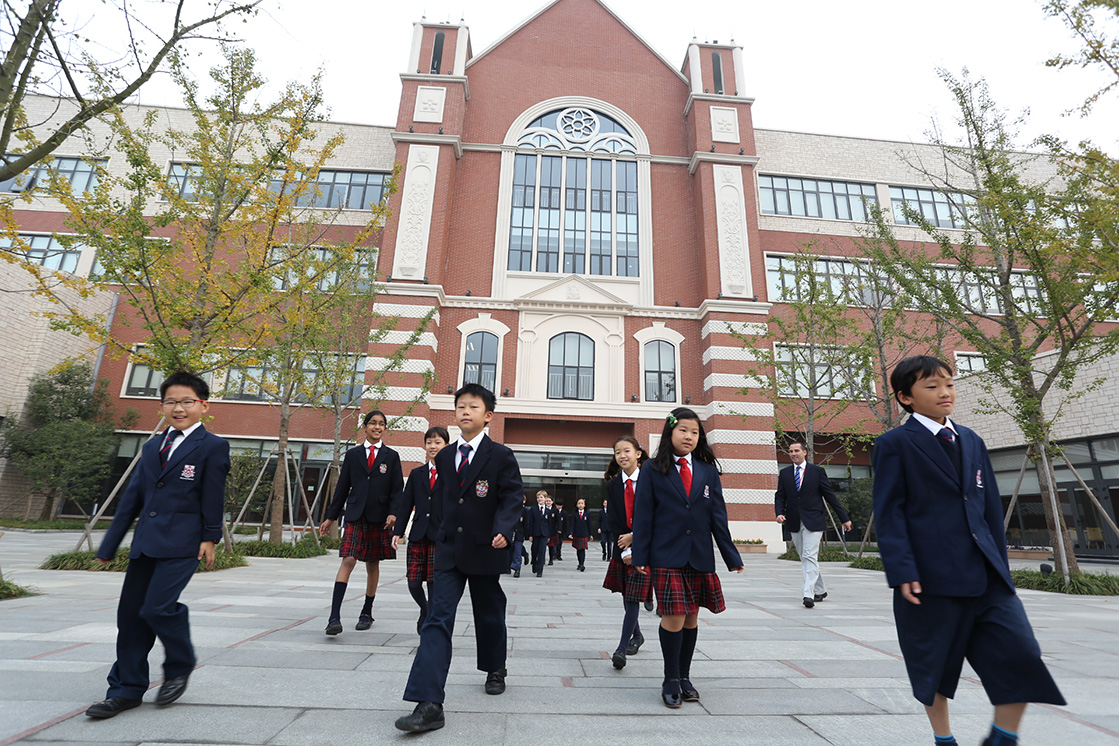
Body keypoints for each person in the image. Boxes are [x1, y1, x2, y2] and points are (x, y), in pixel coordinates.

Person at [873, 356, 1065, 746]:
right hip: (929, 578)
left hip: (986, 575)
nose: (945, 393)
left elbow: (989, 508)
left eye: (949, 384)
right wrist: (901, 569)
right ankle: (944, 739)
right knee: (935, 667)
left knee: (1021, 654)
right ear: (905, 397)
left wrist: (1002, 565)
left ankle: (1002, 736)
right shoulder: (894, 444)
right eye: (932, 386)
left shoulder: (972, 440)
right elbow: (889, 512)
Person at [85, 371, 230, 719]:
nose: (178, 408)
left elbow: (213, 495)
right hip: (146, 545)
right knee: (131, 618)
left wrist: (210, 537)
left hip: (184, 544)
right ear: (162, 406)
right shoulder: (152, 446)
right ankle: (125, 690)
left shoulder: (212, 446)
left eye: (186, 401)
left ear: (203, 405)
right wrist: (108, 545)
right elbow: (132, 497)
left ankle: (180, 664)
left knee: (157, 609)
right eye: (170, 402)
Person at [395, 383, 525, 733]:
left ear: (488, 416)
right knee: (437, 619)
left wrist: (504, 528)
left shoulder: (500, 455)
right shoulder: (446, 455)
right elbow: (441, 503)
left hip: (486, 548)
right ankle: (428, 703)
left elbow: (512, 497)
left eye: (473, 407)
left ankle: (495, 666)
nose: (465, 411)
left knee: (489, 613)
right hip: (449, 550)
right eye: (460, 406)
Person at [632, 407, 743, 708]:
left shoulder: (707, 471)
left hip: (699, 556)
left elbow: (718, 517)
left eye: (695, 432)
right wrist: (640, 554)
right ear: (671, 432)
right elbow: (643, 517)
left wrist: (731, 556)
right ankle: (670, 678)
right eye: (683, 430)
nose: (689, 436)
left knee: (692, 617)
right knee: (675, 615)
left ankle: (684, 676)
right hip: (665, 555)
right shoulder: (653, 470)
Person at [318, 410, 404, 635]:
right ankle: (334, 617)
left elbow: (397, 490)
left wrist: (394, 513)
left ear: (385, 428)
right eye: (373, 423)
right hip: (355, 515)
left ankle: (367, 611)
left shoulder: (391, 456)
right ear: (365, 427)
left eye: (382, 424)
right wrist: (331, 517)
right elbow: (342, 488)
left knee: (372, 564)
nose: (377, 427)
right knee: (348, 559)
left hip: (380, 517)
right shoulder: (353, 455)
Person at [774, 441, 852, 608]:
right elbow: (780, 496)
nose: (793, 453)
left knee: (809, 556)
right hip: (794, 520)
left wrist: (844, 518)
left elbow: (830, 496)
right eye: (790, 451)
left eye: (796, 450)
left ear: (804, 452)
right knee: (806, 557)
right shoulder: (785, 473)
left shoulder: (817, 472)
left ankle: (807, 594)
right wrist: (779, 513)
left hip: (814, 520)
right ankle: (820, 589)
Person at [392, 426, 449, 634]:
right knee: (413, 583)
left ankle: (430, 624)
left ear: (446, 446)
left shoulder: (452, 474)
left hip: (439, 537)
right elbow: (406, 505)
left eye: (438, 442)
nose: (433, 446)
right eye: (429, 442)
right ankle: (425, 611)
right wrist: (398, 532)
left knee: (434, 586)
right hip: (418, 535)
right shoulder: (417, 474)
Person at [601, 435, 651, 669]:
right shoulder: (613, 486)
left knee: (632, 596)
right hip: (622, 546)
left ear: (638, 454)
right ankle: (637, 636)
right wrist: (624, 549)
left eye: (627, 451)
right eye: (618, 452)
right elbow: (614, 521)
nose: (622, 456)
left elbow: (658, 517)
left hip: (649, 545)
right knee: (627, 595)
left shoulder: (652, 480)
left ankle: (621, 648)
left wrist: (636, 538)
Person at [525, 490, 551, 577]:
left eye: (541, 497)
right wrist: (530, 534)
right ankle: (534, 563)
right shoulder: (533, 509)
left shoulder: (548, 511)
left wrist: (549, 535)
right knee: (534, 550)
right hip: (535, 533)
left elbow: (550, 524)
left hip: (544, 534)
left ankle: (540, 570)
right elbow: (530, 522)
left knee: (542, 551)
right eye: (538, 497)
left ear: (545, 498)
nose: (539, 499)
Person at [568, 498, 591, 571]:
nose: (580, 505)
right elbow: (573, 524)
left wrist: (591, 534)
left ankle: (582, 564)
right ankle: (579, 563)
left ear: (584, 505)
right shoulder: (575, 514)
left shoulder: (587, 513)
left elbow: (589, 525)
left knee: (582, 549)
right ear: (576, 505)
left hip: (584, 534)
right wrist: (571, 533)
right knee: (578, 549)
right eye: (579, 503)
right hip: (577, 534)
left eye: (582, 503)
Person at [509, 495, 528, 577]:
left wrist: (526, 535)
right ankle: (508, 566)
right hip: (510, 533)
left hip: (519, 533)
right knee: (510, 550)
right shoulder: (511, 509)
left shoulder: (525, 511)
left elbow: (526, 523)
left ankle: (517, 569)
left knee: (517, 550)